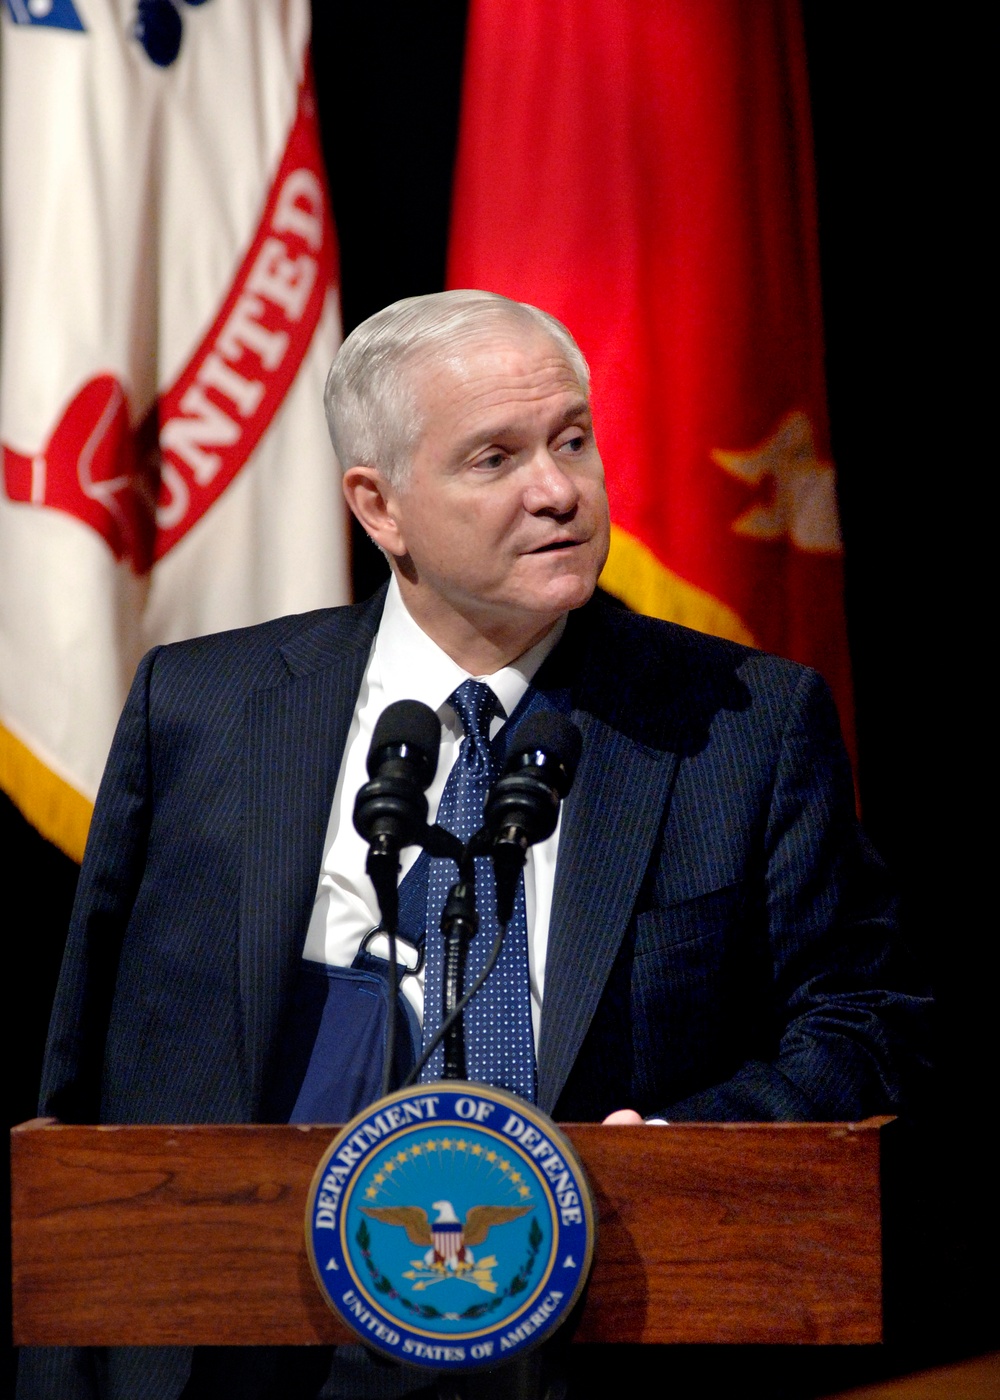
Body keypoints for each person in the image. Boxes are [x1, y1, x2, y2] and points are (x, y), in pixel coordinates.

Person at [20, 291, 929, 1399]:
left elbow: (861, 1021)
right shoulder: (204, 709)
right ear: (380, 506)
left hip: (596, 1334)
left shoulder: (740, 722)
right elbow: (90, 1075)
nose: (557, 490)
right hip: (254, 1342)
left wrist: (671, 1142)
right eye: (495, 458)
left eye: (572, 440)